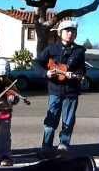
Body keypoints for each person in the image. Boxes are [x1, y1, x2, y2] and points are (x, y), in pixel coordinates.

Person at [37, 20, 86, 152]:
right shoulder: (50, 48)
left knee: (68, 121)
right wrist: (45, 73)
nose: (70, 33)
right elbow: (37, 64)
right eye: (67, 31)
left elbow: (82, 71)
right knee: (50, 120)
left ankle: (64, 144)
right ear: (60, 33)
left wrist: (75, 74)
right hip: (54, 91)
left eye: (73, 31)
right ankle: (46, 146)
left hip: (71, 91)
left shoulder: (79, 51)